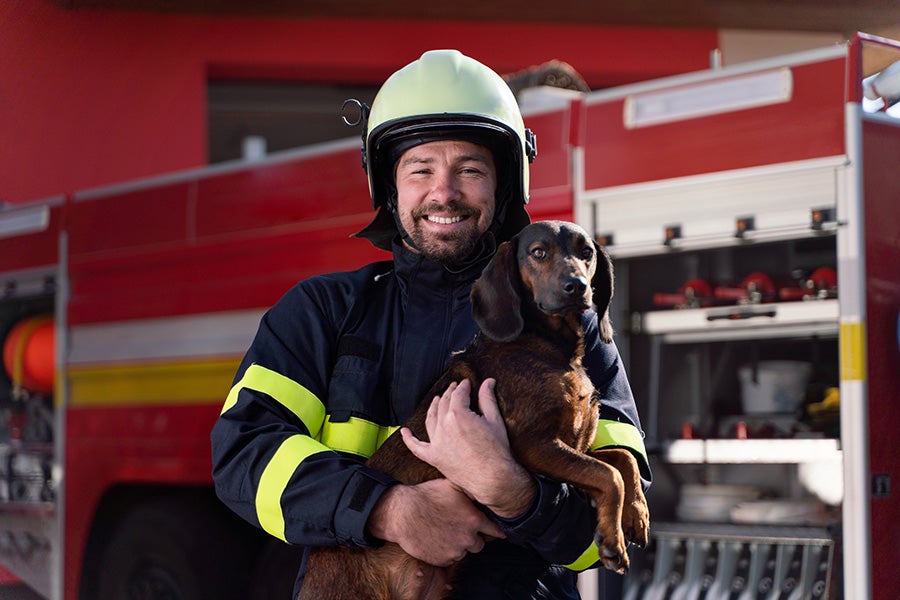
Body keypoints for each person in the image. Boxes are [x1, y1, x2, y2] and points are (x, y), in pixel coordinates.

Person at [210, 49, 651, 599]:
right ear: (390, 188)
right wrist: (387, 510)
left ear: (504, 187)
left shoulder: (574, 334)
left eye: (470, 169)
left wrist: (515, 494)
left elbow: (607, 528)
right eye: (421, 169)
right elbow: (242, 456)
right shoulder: (320, 314)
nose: (444, 192)